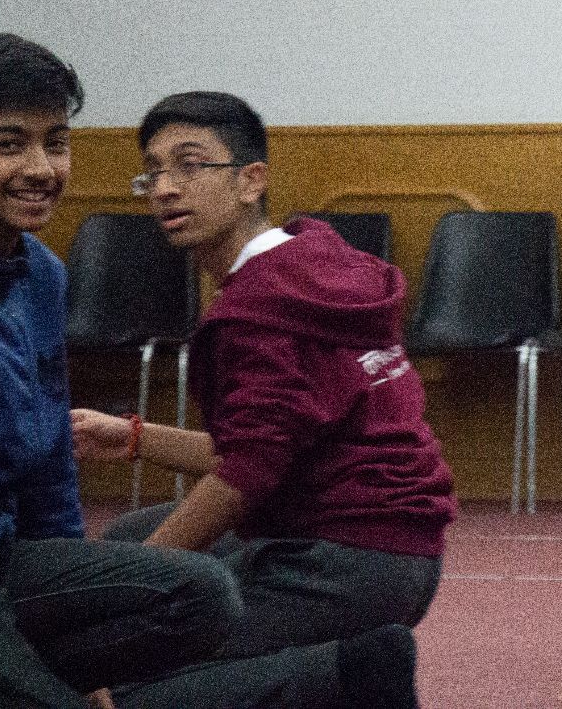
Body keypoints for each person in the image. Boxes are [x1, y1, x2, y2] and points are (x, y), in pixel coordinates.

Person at [69, 91, 457, 709]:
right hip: (396, 550)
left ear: (252, 181)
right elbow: (276, 448)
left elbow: (248, 475)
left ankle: (350, 675)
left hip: (341, 567)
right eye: (154, 171)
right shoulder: (318, 260)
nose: (165, 187)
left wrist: (134, 582)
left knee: (114, 664)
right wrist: (135, 437)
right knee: (135, 532)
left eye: (190, 165)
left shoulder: (257, 310)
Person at [0, 35, 236, 709]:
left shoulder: (42, 275)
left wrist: (86, 672)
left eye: (57, 141)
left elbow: (48, 463)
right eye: (10, 144)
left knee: (202, 594)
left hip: (4, 561)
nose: (42, 168)